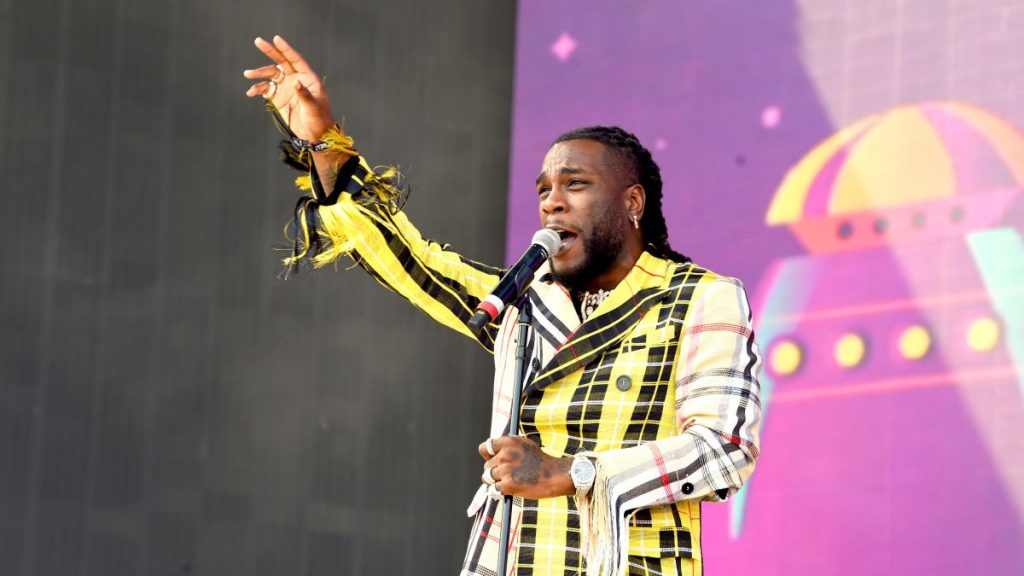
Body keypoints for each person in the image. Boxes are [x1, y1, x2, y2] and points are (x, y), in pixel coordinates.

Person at [244, 35, 762, 576]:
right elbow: (416, 263)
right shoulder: (524, 299)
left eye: (576, 185)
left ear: (632, 202)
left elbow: (724, 449)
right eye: (544, 191)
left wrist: (574, 472)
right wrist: (325, 144)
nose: (552, 202)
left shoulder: (702, 296)